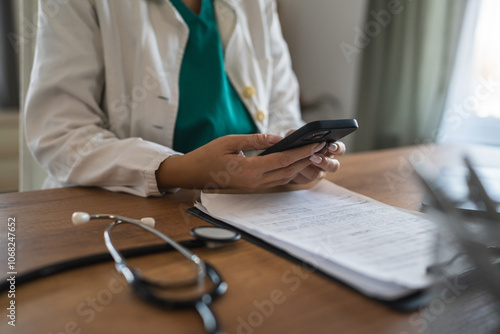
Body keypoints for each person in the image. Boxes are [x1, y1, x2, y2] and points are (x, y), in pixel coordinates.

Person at [25, 0, 345, 197]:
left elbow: (281, 108)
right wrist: (177, 169)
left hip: (253, 208)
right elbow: (61, 136)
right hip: (127, 215)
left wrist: (291, 158)